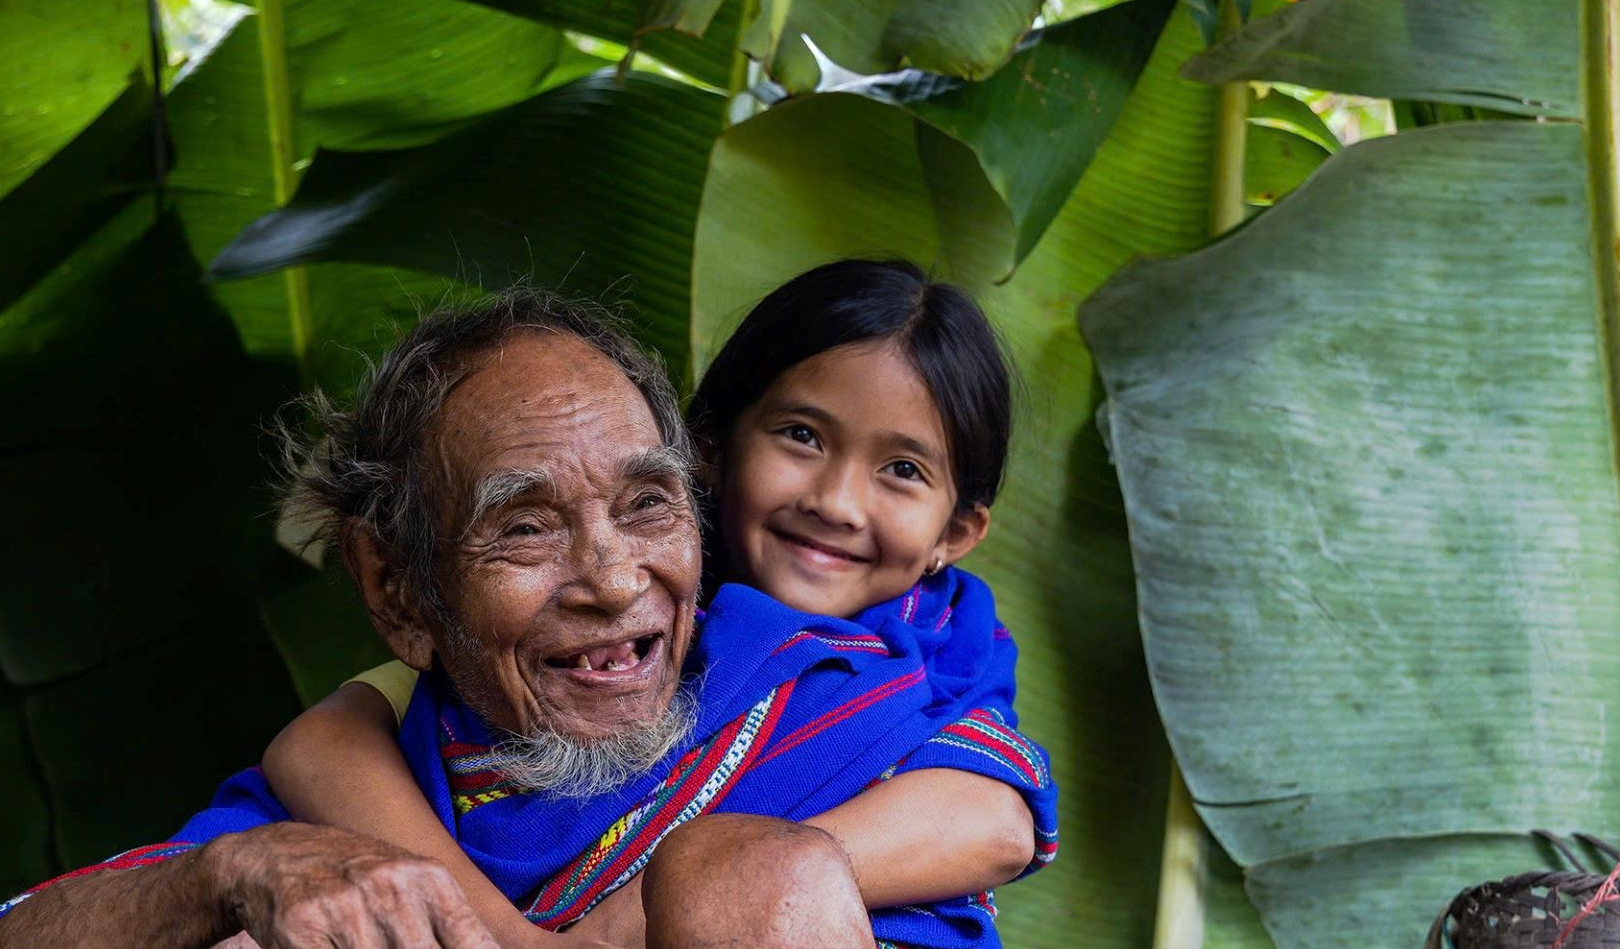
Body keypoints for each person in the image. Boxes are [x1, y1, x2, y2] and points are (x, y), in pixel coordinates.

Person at [261, 260, 1056, 949]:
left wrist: (672, 895)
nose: (837, 502)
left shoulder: (943, 635)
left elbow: (997, 820)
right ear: (709, 448)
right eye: (803, 437)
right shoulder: (623, 624)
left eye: (903, 470)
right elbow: (322, 745)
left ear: (958, 529)